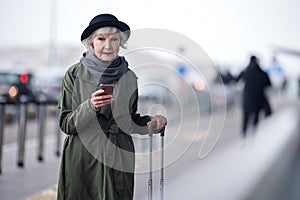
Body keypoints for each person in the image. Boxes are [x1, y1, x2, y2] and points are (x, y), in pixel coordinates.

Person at [57, 13, 167, 200]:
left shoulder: (129, 77)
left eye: (114, 39)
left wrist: (152, 123)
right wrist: (90, 106)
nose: (108, 46)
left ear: (120, 43)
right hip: (82, 160)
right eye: (101, 39)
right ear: (92, 43)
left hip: (118, 157)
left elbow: (129, 121)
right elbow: (66, 124)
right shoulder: (74, 74)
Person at [236, 55, 272, 137]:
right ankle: (253, 136)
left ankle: (244, 135)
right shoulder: (261, 72)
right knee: (255, 119)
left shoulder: (246, 71)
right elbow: (269, 84)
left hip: (247, 100)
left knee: (245, 119)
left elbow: (237, 79)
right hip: (257, 100)